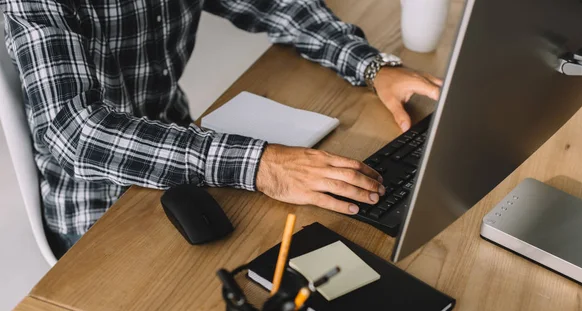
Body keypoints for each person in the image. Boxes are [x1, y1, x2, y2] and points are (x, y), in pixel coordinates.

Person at [0, 0, 441, 256]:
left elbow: (274, 4)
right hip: (100, 206)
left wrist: (369, 64)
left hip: (192, 153)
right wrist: (261, 165)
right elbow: (74, 132)